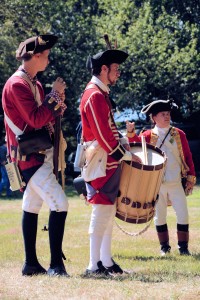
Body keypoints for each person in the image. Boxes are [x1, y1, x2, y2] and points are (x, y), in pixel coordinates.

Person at [2, 34, 69, 276]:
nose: (49, 60)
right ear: (36, 56)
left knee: (31, 205)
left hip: (38, 152)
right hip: (29, 157)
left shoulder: (35, 84)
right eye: (47, 56)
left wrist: (57, 103)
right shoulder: (17, 85)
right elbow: (36, 118)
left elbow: (47, 115)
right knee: (60, 204)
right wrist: (54, 96)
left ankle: (31, 264)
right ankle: (55, 266)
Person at [80, 47, 141, 276]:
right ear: (103, 69)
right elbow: (103, 136)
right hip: (102, 162)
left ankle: (105, 261)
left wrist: (124, 142)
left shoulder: (100, 93)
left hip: (108, 161)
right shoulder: (94, 94)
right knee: (101, 210)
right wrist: (124, 154)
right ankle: (93, 265)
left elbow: (110, 131)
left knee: (107, 211)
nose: (118, 74)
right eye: (115, 69)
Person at [126, 99, 196, 256]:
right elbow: (134, 147)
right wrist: (131, 133)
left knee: (183, 213)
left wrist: (191, 174)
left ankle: (183, 248)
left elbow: (187, 156)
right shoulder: (147, 135)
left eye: (168, 114)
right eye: (163, 114)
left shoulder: (179, 134)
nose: (166, 117)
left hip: (175, 181)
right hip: (156, 183)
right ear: (154, 118)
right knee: (160, 215)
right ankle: (164, 247)